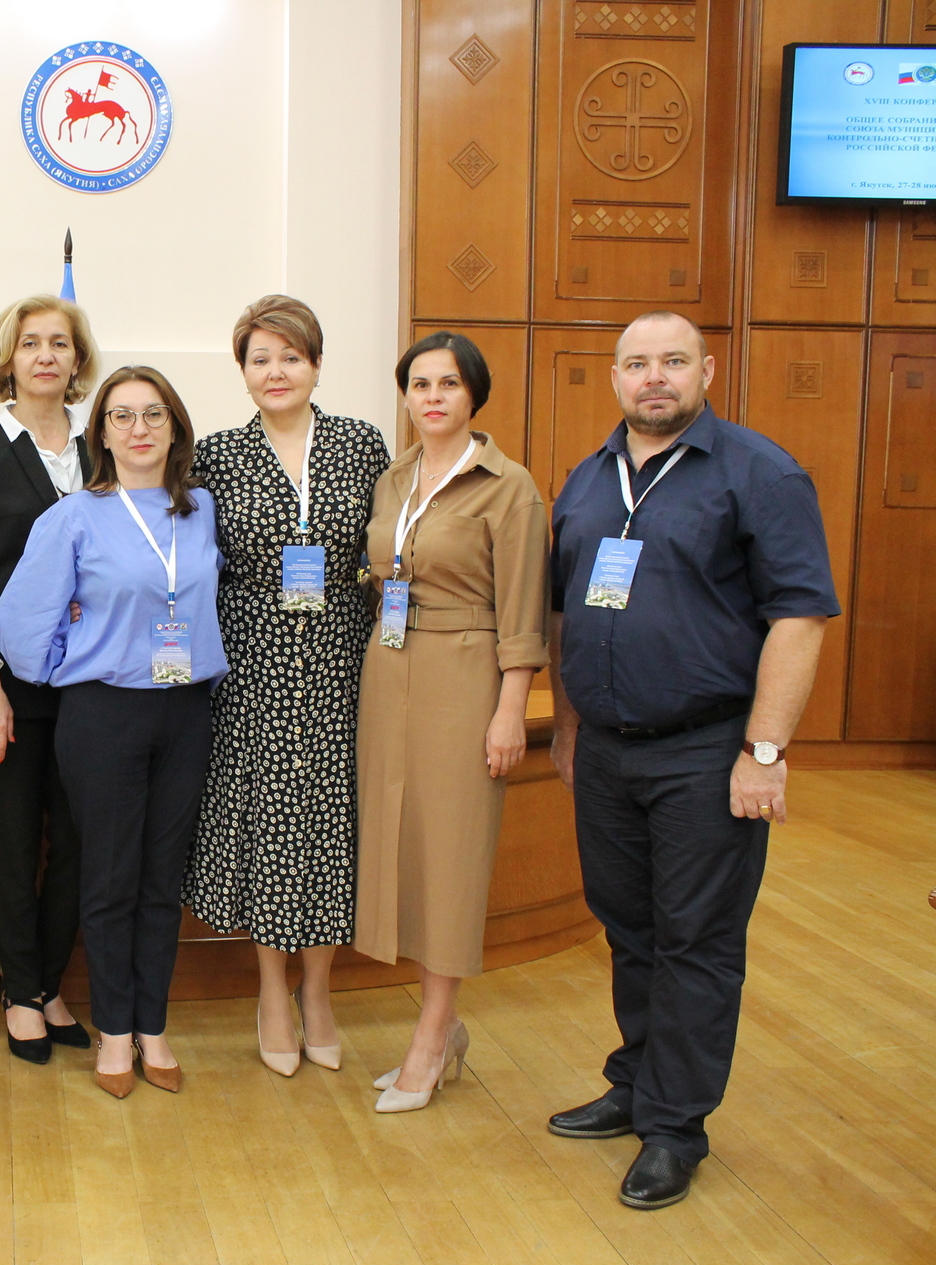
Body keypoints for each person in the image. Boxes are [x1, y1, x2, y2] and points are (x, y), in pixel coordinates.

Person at [545, 311, 837, 1210]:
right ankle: (636, 1085)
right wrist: (567, 726)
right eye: (637, 364)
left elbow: (800, 617)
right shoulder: (588, 479)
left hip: (708, 752)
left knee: (696, 942)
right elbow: (564, 612)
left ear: (706, 372)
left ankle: (675, 1128)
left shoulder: (760, 473)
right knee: (629, 930)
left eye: (674, 361)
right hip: (606, 751)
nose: (655, 378)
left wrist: (764, 751)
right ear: (615, 378)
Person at [0, 365, 227, 1098]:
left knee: (161, 881)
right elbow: (20, 627)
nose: (139, 429)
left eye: (153, 414)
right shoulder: (73, 516)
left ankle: (153, 1025)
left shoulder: (201, 509)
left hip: (185, 711)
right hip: (104, 714)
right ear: (101, 433)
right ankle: (115, 1032)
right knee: (110, 878)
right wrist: (77, 663)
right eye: (121, 416)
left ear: (174, 427)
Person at [183, 296, 389, 1077]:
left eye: (291, 357)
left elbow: (389, 549)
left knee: (332, 823)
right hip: (252, 665)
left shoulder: (361, 444)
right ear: (242, 371)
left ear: (317, 365)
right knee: (268, 824)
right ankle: (271, 989)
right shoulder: (217, 455)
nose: (276, 372)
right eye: (260, 358)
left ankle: (319, 990)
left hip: (340, 661)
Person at [354, 331, 548, 1113]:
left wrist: (510, 709)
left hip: (466, 673)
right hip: (389, 664)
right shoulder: (393, 478)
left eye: (449, 384)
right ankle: (443, 1026)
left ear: (474, 396)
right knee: (400, 841)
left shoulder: (509, 487)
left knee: (451, 853)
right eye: (420, 384)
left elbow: (524, 611)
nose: (432, 396)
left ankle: (433, 1036)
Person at [0, 294, 98, 1064]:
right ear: (7, 359)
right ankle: (20, 990)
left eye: (59, 343)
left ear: (77, 360)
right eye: (30, 342)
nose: (45, 355)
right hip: (8, 686)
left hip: (94, 685)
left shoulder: (103, 450)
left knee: (77, 844)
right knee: (12, 843)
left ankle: (46, 984)